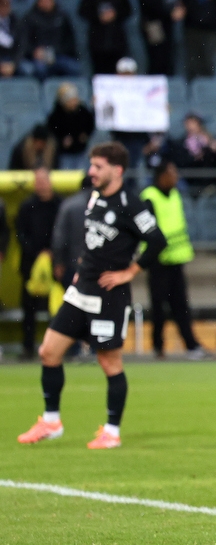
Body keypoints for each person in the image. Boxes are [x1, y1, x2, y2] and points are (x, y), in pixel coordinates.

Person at [17, 142, 167, 449]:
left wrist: (130, 271)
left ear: (117, 170)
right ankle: (51, 420)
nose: (91, 172)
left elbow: (156, 241)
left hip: (109, 296)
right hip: (80, 290)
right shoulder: (94, 198)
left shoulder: (132, 204)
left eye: (98, 166)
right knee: (49, 352)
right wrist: (82, 267)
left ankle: (111, 431)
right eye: (92, 166)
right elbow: (93, 241)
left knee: (109, 362)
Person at [140, 161, 208, 360]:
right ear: (161, 176)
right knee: (158, 307)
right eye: (172, 173)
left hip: (176, 259)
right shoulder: (149, 197)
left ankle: (191, 345)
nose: (175, 177)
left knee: (181, 306)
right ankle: (158, 346)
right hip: (158, 261)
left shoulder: (175, 194)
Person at [15, 167, 61, 358]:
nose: (41, 184)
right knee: (29, 308)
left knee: (58, 307)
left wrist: (54, 252)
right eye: (38, 180)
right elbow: (20, 233)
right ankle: (28, 347)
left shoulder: (60, 204)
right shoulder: (27, 206)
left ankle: (59, 347)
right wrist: (36, 251)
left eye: (43, 180)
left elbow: (64, 232)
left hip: (55, 262)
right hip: (31, 263)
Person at [78, 0, 133, 76]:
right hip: (98, 40)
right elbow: (82, 11)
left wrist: (115, 15)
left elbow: (128, 11)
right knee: (99, 73)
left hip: (116, 41)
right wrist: (98, 17)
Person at [17, 0, 80, 80]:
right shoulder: (30, 18)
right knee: (39, 70)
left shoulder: (62, 17)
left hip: (59, 54)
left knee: (74, 68)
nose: (46, 2)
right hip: (38, 57)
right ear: (38, 1)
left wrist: (56, 51)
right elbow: (23, 42)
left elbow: (70, 41)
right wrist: (34, 52)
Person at [135, 0, 177, 76]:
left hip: (165, 23)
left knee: (166, 57)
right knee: (157, 57)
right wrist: (169, 10)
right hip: (153, 23)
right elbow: (151, 2)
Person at [51, 175, 93, 290]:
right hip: (96, 264)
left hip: (72, 263)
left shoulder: (68, 205)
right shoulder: (104, 203)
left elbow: (59, 238)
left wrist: (58, 262)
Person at [47, 83, 95, 170]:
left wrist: (85, 134)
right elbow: (52, 131)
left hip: (81, 149)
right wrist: (61, 140)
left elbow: (90, 124)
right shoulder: (56, 115)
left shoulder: (82, 111)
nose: (74, 102)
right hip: (64, 153)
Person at [172, 113, 216, 190]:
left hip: (210, 179)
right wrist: (195, 156)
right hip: (191, 181)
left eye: (194, 123)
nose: (191, 126)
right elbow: (181, 163)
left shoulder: (211, 139)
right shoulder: (181, 142)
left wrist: (212, 149)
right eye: (188, 123)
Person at [0, 0, 19, 78]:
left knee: (27, 69)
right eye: (2, 6)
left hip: (13, 58)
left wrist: (14, 63)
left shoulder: (16, 21)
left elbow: (21, 45)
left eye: (6, 6)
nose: (4, 9)